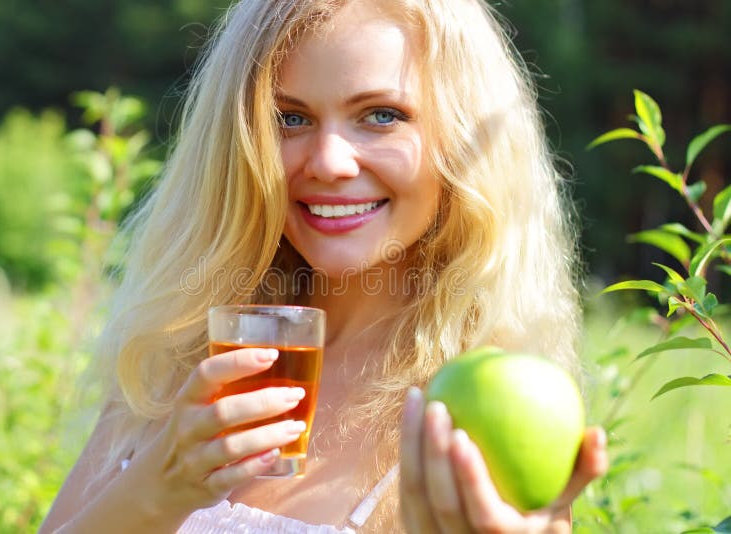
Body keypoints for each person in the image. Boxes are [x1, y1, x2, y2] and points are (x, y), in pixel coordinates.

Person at [40, 0, 608, 532]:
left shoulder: (476, 409)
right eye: (289, 119)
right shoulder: (183, 345)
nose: (330, 162)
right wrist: (157, 491)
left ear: (461, 142)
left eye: (381, 116)